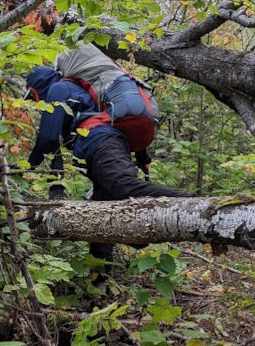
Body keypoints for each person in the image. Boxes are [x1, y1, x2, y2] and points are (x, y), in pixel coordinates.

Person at [24, 49, 187, 262]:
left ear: (38, 87)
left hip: (101, 143)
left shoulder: (59, 89)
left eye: (33, 96)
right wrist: (142, 158)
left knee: (122, 186)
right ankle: (100, 278)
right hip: (110, 143)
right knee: (102, 214)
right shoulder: (81, 89)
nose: (35, 102)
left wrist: (28, 167)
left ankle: (197, 206)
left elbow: (47, 137)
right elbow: (112, 117)